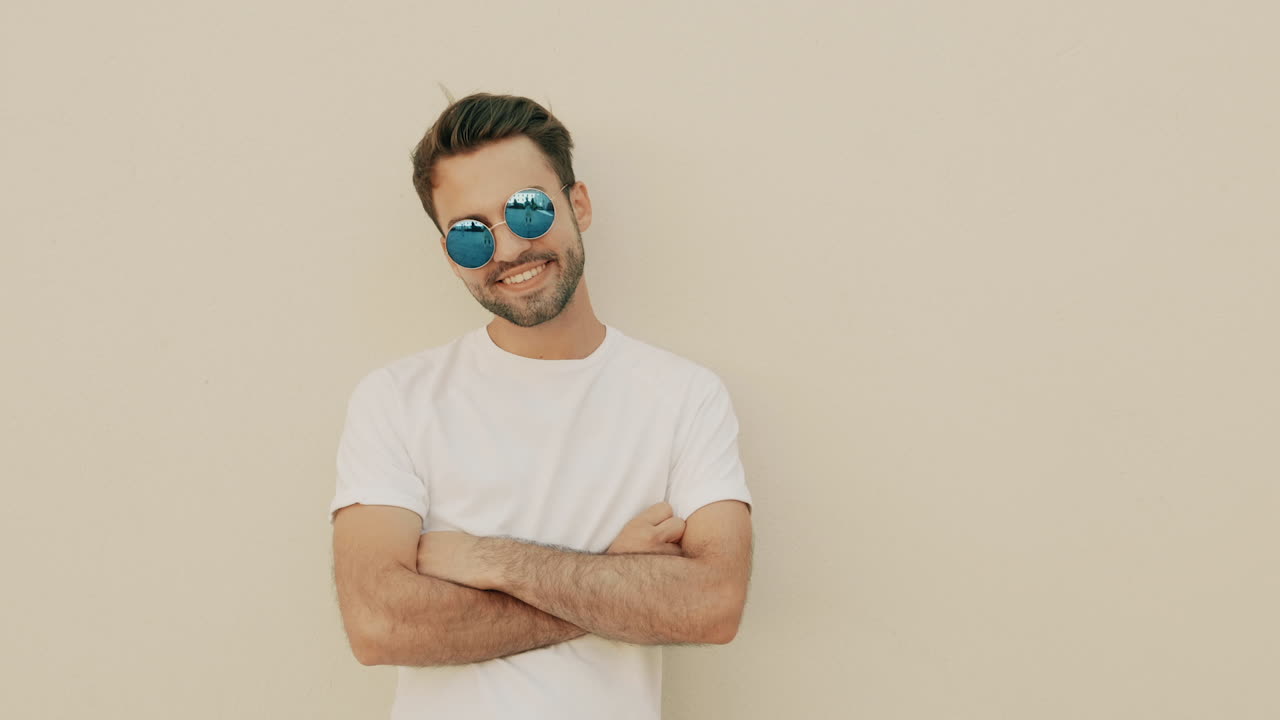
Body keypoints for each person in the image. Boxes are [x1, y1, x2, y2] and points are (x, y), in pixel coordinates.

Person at [328, 92, 754, 720]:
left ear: (577, 203)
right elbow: (379, 625)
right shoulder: (396, 398)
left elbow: (712, 604)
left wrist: (483, 558)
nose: (505, 251)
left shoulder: (684, 396)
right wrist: (615, 576)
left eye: (526, 210)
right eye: (470, 234)